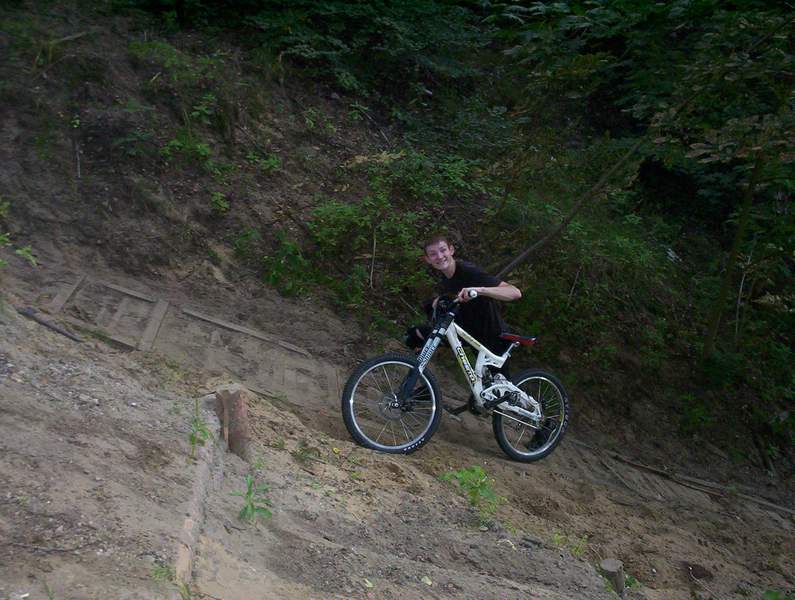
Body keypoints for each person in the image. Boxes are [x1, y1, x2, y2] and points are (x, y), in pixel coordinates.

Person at [405, 233, 521, 358]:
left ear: (451, 250)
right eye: (433, 254)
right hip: (470, 335)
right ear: (428, 259)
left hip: (492, 337)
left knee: (496, 375)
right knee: (413, 335)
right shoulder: (445, 277)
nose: (439, 256)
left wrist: (480, 290)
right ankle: (416, 365)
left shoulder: (469, 272)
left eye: (443, 250)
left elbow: (515, 292)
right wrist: (437, 300)